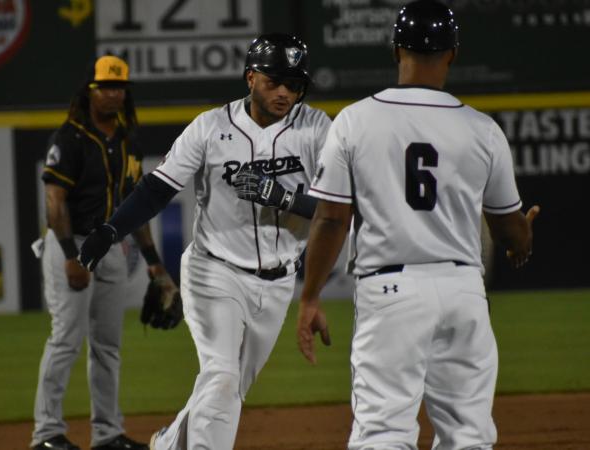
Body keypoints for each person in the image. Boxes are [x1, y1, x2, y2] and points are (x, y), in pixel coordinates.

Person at [296, 2, 540, 449]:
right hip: (463, 290)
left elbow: (331, 219)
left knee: (383, 433)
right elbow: (509, 231)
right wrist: (521, 237)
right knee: (469, 435)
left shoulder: (354, 120)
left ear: (396, 49)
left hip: (391, 291)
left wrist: (310, 295)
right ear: (453, 54)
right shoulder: (483, 129)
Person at [78, 34, 332, 450]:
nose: (284, 92)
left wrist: (282, 197)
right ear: (251, 78)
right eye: (274, 81)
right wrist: (111, 230)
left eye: (294, 84)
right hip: (215, 272)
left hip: (279, 281)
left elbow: (338, 207)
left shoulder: (317, 128)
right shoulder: (211, 127)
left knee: (228, 389)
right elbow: (157, 188)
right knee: (222, 376)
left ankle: (168, 444)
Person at [31, 55, 176, 450]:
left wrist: (153, 262)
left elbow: (134, 205)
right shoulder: (70, 137)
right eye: (105, 87)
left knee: (108, 346)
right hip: (72, 244)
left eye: (119, 87)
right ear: (90, 91)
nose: (113, 94)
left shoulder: (128, 139)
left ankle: (107, 434)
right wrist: (70, 256)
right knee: (65, 339)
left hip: (111, 247)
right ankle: (46, 434)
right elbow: (54, 201)